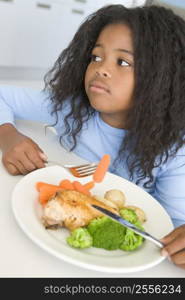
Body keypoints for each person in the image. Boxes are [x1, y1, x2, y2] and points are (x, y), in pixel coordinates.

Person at [0, 4, 185, 268]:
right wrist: (8, 136)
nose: (101, 68)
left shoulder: (174, 150)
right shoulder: (70, 109)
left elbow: (175, 227)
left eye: (123, 62)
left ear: (161, 79)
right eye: (96, 57)